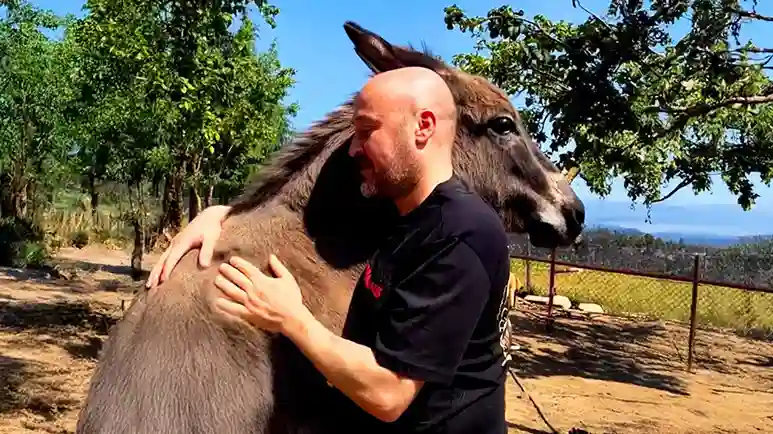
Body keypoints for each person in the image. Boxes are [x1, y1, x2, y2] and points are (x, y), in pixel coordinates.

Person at [146, 66, 511, 434]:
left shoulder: (462, 234)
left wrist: (290, 318)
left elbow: (388, 394)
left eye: (367, 131)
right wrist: (220, 215)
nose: (353, 149)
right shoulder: (407, 219)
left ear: (423, 127)